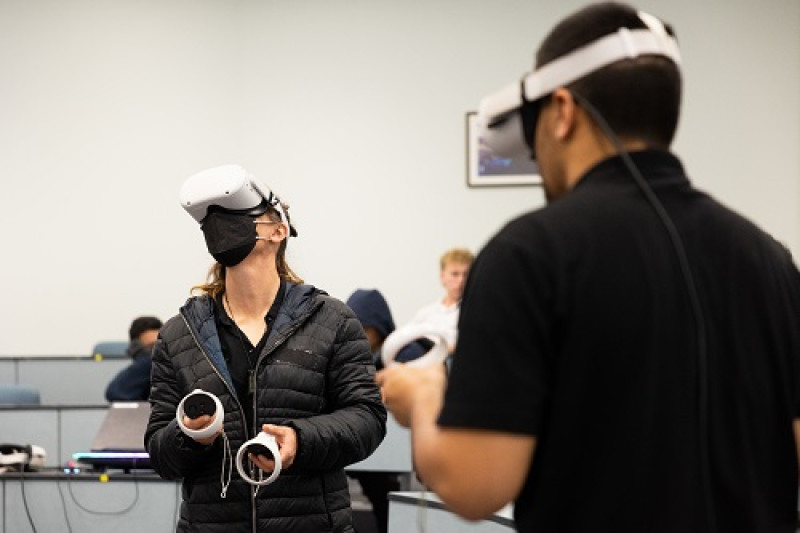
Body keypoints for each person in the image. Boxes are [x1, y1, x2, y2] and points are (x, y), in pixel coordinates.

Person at [377, 3, 800, 533]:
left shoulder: (528, 254)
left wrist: (424, 397)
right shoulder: (768, 258)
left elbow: (475, 485)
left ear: (562, 111)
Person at [145, 164, 386, 533]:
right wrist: (191, 435)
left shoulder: (332, 320)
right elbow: (162, 455)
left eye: (235, 217)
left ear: (278, 230)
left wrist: (299, 440)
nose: (221, 226)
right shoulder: (179, 335)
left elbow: (367, 418)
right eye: (212, 221)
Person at [345, 289, 401, 533]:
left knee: (384, 496)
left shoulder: (404, 353)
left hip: (395, 448)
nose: (361, 337)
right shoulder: (353, 355)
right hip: (366, 447)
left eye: (365, 330)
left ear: (380, 328)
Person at [400, 247, 473, 359]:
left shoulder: (474, 312)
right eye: (455, 274)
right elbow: (403, 337)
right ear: (442, 276)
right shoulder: (426, 312)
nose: (461, 280)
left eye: (466, 275)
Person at [104, 315, 162, 402]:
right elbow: (115, 394)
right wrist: (146, 361)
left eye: (160, 346)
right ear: (136, 349)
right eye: (151, 347)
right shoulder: (143, 370)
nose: (157, 352)